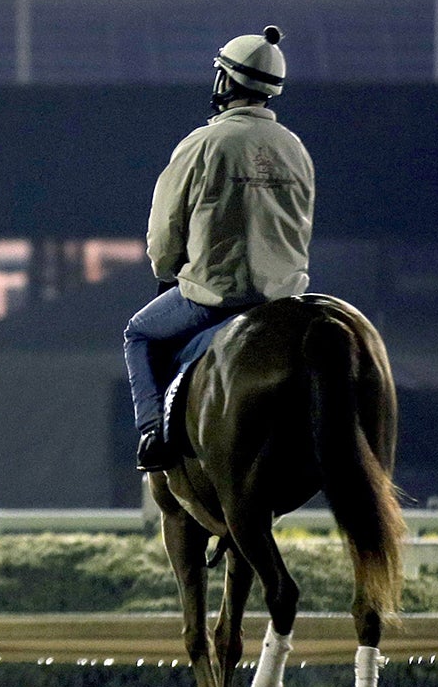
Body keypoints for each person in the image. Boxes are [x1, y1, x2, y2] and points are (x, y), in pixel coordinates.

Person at [125, 28, 315, 471]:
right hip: (285, 300)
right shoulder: (295, 149)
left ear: (226, 82)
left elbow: (164, 233)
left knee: (139, 334)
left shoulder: (203, 143)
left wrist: (168, 270)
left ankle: (154, 435)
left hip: (215, 295)